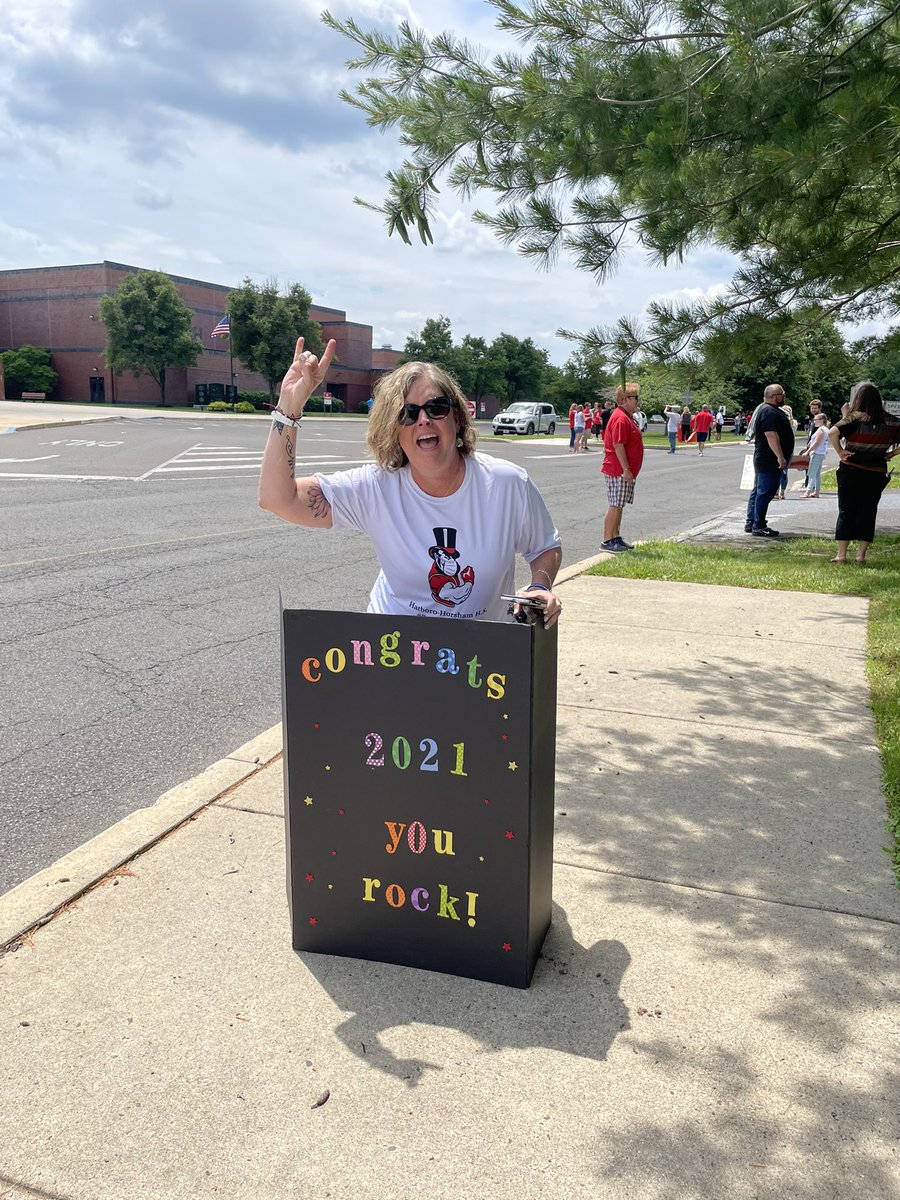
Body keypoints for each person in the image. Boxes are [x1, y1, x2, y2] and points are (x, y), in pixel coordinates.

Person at [259, 339, 563, 623]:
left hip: (479, 657)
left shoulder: (506, 484)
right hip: (395, 654)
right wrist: (289, 407)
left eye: (437, 408)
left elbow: (545, 547)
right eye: (407, 413)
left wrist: (540, 586)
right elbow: (278, 499)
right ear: (393, 429)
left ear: (456, 418)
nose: (424, 420)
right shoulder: (376, 487)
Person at [828, 381, 900, 565]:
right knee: (868, 510)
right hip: (876, 471)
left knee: (846, 510)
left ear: (859, 399)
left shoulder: (855, 418)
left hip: (851, 468)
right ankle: (860, 555)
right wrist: (891, 453)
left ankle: (842, 555)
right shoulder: (891, 421)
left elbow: (833, 432)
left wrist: (840, 452)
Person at [744, 383, 794, 538]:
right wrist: (780, 456)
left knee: (759, 491)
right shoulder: (769, 412)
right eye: (782, 393)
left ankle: (752, 522)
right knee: (765, 492)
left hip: (765, 458)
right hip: (769, 459)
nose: (783, 396)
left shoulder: (770, 410)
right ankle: (758, 525)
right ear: (774, 396)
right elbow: (771, 435)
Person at [600, 382, 643, 553]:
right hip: (617, 469)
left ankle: (616, 536)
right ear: (624, 399)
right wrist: (626, 469)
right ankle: (607, 539)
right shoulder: (619, 417)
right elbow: (618, 445)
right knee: (615, 504)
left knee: (619, 505)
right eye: (635, 398)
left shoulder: (626, 416)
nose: (637, 401)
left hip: (623, 470)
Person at [800, 413, 829, 498]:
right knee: (817, 473)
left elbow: (816, 443)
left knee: (812, 472)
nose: (814, 422)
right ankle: (816, 491)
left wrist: (807, 452)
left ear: (822, 420)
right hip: (821, 453)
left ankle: (808, 491)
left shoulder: (821, 430)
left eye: (816, 420)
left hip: (817, 453)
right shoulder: (825, 429)